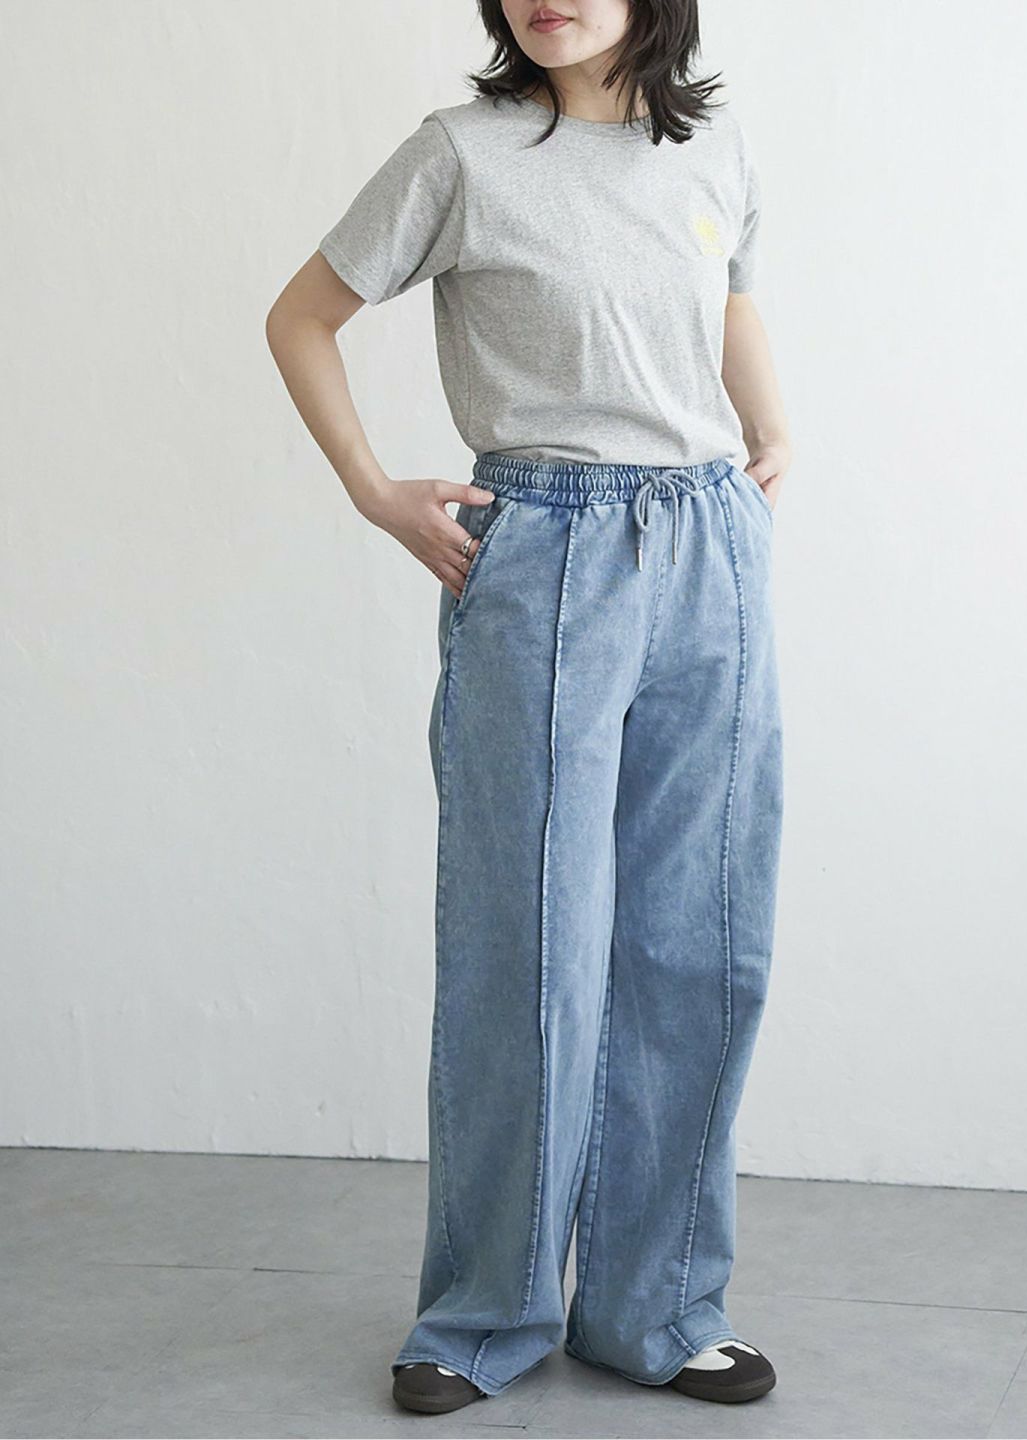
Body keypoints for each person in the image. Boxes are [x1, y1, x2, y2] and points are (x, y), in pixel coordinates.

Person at [265, 0, 790, 1417]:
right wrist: (377, 492)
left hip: (711, 553)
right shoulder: (464, 154)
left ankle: (657, 1308)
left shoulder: (716, 148)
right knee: (530, 943)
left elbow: (731, 292)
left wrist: (771, 430)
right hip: (546, 547)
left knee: (699, 940)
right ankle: (483, 1311)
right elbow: (303, 316)